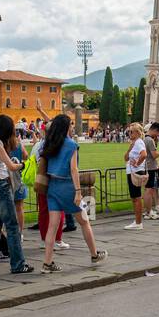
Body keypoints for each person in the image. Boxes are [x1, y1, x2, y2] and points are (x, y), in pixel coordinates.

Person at [41, 115, 108, 272]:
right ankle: (94, 254)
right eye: (70, 125)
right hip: (67, 187)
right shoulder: (71, 145)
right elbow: (73, 169)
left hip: (52, 186)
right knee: (84, 221)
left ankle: (47, 262)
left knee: (52, 226)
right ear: (65, 127)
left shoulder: (49, 143)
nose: (72, 127)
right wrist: (78, 191)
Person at [0, 115, 34, 275]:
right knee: (12, 227)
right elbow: (11, 166)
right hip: (2, 187)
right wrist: (23, 164)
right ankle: (18, 264)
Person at [124, 123, 147, 230]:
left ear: (138, 133)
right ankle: (137, 221)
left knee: (136, 198)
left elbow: (144, 154)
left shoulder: (139, 142)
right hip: (132, 171)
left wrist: (137, 163)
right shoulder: (134, 143)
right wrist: (129, 148)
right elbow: (125, 158)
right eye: (129, 131)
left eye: (131, 131)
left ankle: (138, 223)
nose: (129, 133)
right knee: (135, 197)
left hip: (136, 171)